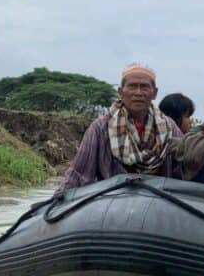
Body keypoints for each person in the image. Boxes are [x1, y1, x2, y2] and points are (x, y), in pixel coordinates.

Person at [58, 64, 182, 192]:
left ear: (155, 93)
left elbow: (183, 169)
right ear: (121, 92)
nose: (138, 93)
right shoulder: (101, 127)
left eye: (144, 87)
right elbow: (79, 174)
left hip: (158, 201)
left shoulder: (169, 127)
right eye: (132, 86)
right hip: (112, 201)